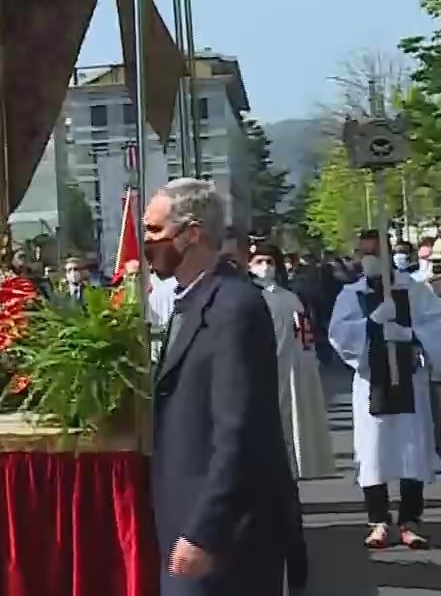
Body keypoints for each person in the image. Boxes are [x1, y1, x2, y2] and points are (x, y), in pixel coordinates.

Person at [145, 179, 297, 596]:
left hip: (219, 538)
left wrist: (204, 531)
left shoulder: (233, 308)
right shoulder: (192, 301)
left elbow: (239, 432)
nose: (147, 241)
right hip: (185, 519)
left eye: (155, 231)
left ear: (191, 234)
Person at [328, 229, 441, 551]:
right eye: (364, 252)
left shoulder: (413, 290)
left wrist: (410, 334)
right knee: (374, 451)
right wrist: (370, 324)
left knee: (412, 449)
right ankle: (378, 520)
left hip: (409, 379)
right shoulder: (350, 293)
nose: (369, 259)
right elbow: (339, 334)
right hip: (373, 381)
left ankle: (410, 521)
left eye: (375, 252)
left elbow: (439, 324)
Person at [244, 242, 332, 481]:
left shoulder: (291, 299)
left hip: (289, 369)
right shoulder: (249, 297)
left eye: (270, 262)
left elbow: (304, 337)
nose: (265, 267)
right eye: (259, 262)